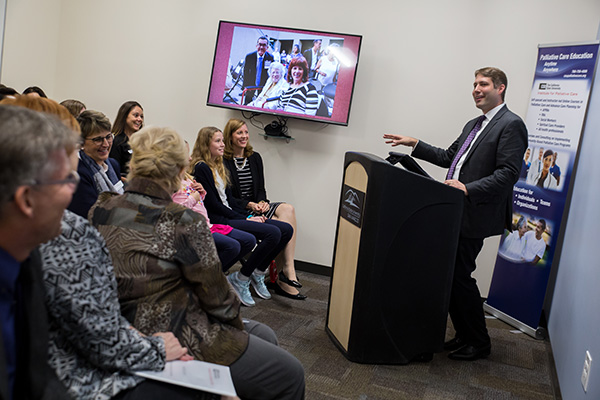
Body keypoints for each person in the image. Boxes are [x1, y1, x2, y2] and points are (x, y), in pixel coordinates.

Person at [89, 126, 305, 399]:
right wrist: (236, 329)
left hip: (125, 326)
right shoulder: (183, 221)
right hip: (179, 333)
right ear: (180, 170)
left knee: (263, 334)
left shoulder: (102, 208)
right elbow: (219, 301)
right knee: (290, 372)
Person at [383, 67, 528, 361]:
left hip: (475, 212)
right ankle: (464, 334)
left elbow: (508, 173)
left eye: (483, 84)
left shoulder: (511, 124)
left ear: (500, 88)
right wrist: (415, 144)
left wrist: (467, 188)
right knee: (451, 276)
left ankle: (479, 341)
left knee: (460, 276)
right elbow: (449, 157)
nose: (476, 89)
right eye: (474, 84)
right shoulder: (474, 124)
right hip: (455, 210)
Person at [0, 104, 78, 400]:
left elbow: (36, 374)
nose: (74, 190)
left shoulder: (25, 258)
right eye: (66, 180)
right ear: (26, 199)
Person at [190, 127, 294, 307]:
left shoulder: (219, 165)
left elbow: (229, 200)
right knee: (273, 233)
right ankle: (243, 276)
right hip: (220, 219)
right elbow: (215, 206)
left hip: (232, 214)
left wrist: (247, 214)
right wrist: (246, 219)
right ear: (206, 144)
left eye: (223, 141)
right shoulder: (202, 168)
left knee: (286, 230)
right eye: (218, 141)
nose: (223, 145)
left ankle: (258, 272)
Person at [223, 119, 306, 300]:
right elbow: (228, 198)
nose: (244, 136)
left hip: (257, 205)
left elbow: (260, 188)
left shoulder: (255, 157)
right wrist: (249, 205)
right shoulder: (224, 161)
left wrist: (262, 202)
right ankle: (262, 271)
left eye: (246, 132)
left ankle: (288, 269)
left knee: (288, 210)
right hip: (241, 210)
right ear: (229, 136)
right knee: (278, 226)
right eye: (239, 133)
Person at [173, 142, 256, 273]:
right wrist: (193, 198)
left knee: (249, 240)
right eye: (185, 155)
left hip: (206, 225)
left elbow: (199, 204)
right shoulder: (170, 183)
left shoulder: (188, 179)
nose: (190, 158)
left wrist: (201, 193)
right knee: (232, 246)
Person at [68, 110, 124, 218]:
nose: (106, 144)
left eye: (108, 137)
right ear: (81, 142)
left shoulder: (113, 165)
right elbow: (89, 215)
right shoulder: (79, 172)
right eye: (98, 139)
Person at [109, 101, 144, 179]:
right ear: (125, 116)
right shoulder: (117, 141)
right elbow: (114, 172)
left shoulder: (143, 140)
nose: (139, 119)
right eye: (136, 115)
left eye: (141, 116)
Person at [242, 36, 274, 104]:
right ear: (256, 46)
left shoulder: (270, 58)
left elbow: (271, 72)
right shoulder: (249, 56)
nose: (261, 47)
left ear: (267, 47)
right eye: (260, 44)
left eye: (264, 45)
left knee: (260, 103)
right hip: (251, 84)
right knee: (247, 103)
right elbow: (246, 72)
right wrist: (245, 86)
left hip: (263, 85)